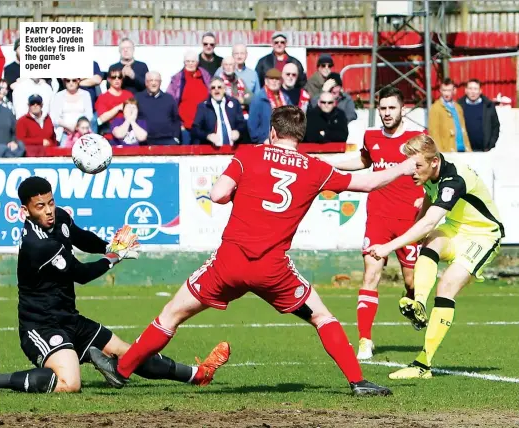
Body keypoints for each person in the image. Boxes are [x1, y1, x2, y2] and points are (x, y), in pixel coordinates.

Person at [89, 105, 418, 396]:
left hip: (229, 264)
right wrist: (405, 167)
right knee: (321, 316)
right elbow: (369, 182)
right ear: (298, 136)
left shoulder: (248, 155)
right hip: (273, 270)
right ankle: (358, 381)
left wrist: (240, 193)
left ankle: (121, 371)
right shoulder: (315, 168)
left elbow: (217, 195)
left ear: (272, 131)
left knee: (171, 315)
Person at [0, 177, 230, 394]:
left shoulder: (59, 218)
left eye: (50, 203)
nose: (48, 211)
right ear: (25, 211)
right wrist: (115, 257)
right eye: (40, 206)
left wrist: (109, 247)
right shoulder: (37, 245)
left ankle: (198, 375)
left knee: (131, 355)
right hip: (40, 327)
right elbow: (82, 274)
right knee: (70, 383)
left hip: (69, 319)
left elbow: (81, 237)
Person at [366, 134, 504, 379]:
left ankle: (423, 365)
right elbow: (428, 203)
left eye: (417, 166)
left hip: (483, 235)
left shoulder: (454, 180)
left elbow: (431, 220)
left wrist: (388, 247)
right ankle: (419, 302)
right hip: (456, 227)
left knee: (446, 285)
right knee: (431, 242)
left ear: (434, 163)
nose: (412, 171)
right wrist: (419, 224)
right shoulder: (430, 175)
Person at [330, 86, 424, 359]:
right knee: (371, 276)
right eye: (382, 108)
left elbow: (431, 169)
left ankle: (414, 304)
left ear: (402, 109)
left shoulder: (417, 139)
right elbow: (363, 161)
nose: (386, 113)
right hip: (378, 220)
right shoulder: (371, 136)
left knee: (412, 281)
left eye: (391, 108)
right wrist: (329, 163)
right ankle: (364, 341)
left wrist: (426, 199)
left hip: (410, 221)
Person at [191, 77, 246, 146]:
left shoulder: (234, 103)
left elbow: (242, 124)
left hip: (233, 147)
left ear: (224, 89)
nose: (216, 90)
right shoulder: (203, 107)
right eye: (213, 88)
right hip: (212, 149)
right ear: (210, 91)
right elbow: (195, 129)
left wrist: (238, 132)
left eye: (219, 87)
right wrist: (208, 136)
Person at [136, 71, 181, 145]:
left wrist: (176, 138)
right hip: (145, 141)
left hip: (167, 140)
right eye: (151, 80)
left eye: (156, 80)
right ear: (146, 82)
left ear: (160, 82)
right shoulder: (137, 98)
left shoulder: (169, 99)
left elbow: (176, 120)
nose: (153, 83)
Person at [428, 78, 471, 153]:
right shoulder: (436, 107)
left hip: (463, 150)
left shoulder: (458, 107)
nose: (446, 94)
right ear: (440, 91)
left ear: (454, 91)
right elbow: (434, 133)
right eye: (444, 90)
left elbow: (463, 130)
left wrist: (469, 149)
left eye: (449, 90)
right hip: (448, 151)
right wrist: (440, 153)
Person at [457, 78, 500, 152]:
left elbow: (495, 126)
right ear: (466, 90)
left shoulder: (488, 106)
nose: (473, 92)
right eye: (470, 88)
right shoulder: (458, 106)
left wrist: (490, 145)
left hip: (483, 150)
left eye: (475, 89)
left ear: (480, 91)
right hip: (464, 150)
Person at [50, 78, 93, 146]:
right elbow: (54, 118)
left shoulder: (85, 94)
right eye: (68, 80)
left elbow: (89, 116)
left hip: (83, 132)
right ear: (64, 82)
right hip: (64, 133)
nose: (71, 83)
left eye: (74, 80)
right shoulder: (58, 96)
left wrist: (78, 126)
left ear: (78, 81)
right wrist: (68, 126)